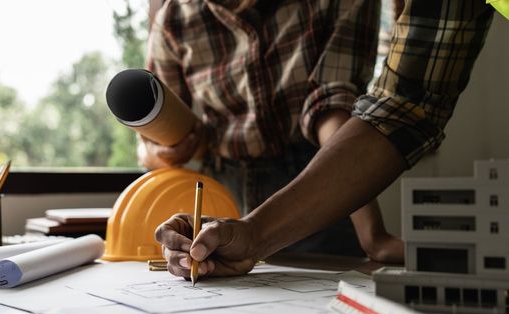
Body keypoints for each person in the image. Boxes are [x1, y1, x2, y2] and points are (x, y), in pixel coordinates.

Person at [155, 0, 495, 279]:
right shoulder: (173, 18)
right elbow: (400, 106)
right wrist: (252, 233)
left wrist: (370, 233)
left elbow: (358, 107)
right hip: (228, 184)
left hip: (314, 173)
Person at [142, 0, 404, 267]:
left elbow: (332, 107)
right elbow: (150, 145)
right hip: (221, 190)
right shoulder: (173, 18)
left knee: (319, 297)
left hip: (313, 185)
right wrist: (162, 151)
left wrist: (371, 234)